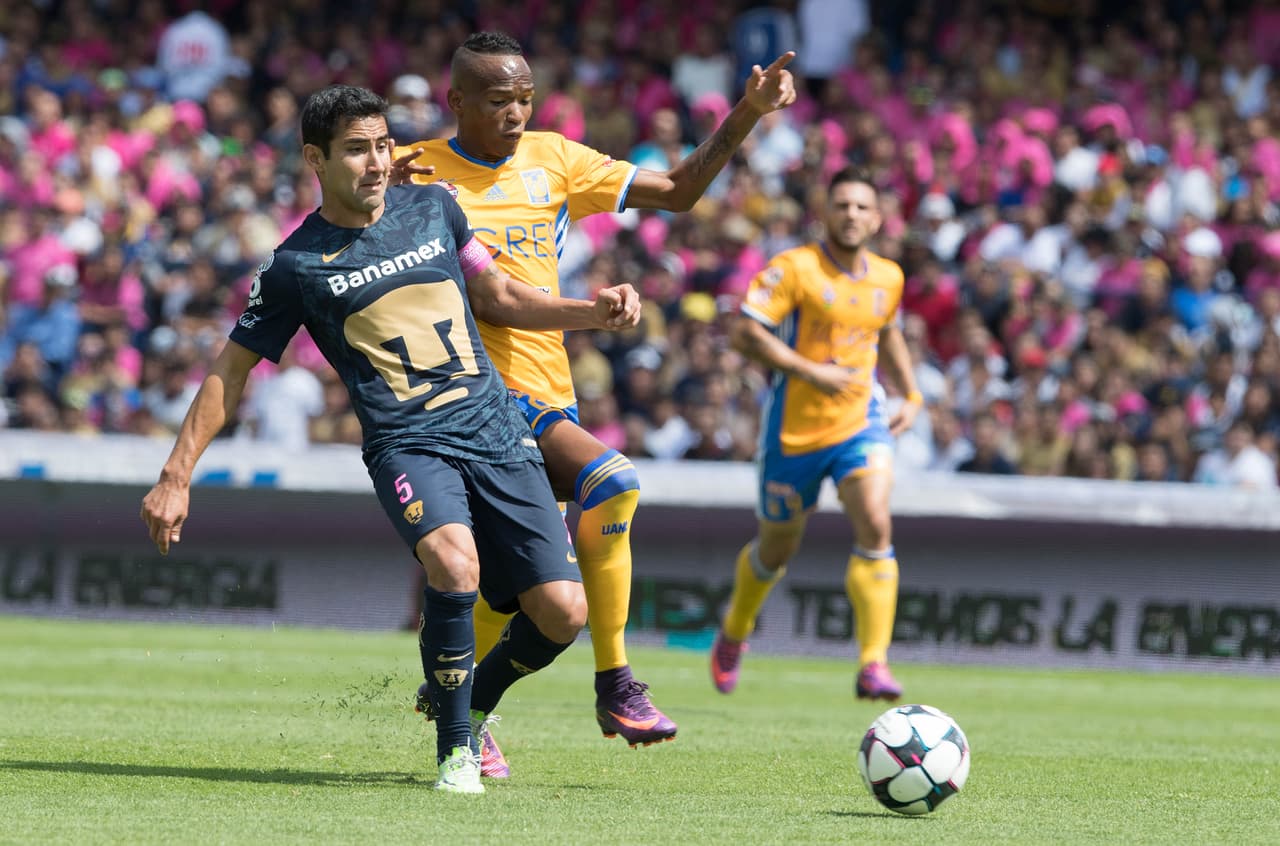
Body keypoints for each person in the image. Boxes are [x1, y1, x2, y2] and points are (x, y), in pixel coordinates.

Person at [139, 85, 642, 794]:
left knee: (563, 613)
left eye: (382, 145)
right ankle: (456, 751)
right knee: (454, 563)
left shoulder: (434, 208)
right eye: (356, 149)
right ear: (316, 158)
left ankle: (463, 699)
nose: (376, 163)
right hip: (409, 442)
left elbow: (496, 296)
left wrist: (586, 311)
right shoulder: (295, 266)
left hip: (496, 428)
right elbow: (231, 369)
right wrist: (175, 474)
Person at [392, 31, 797, 760]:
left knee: (507, 596)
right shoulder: (421, 174)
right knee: (612, 483)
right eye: (496, 101)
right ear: (456, 102)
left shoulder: (555, 160)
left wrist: (748, 113)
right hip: (472, 397)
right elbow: (483, 294)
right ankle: (616, 682)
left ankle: (458, 705)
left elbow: (679, 190)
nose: (515, 114)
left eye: (524, 99)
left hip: (549, 393)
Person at [709, 166, 922, 702]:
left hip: (859, 422)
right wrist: (812, 371)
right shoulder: (795, 269)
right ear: (824, 213)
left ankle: (873, 664)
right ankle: (735, 631)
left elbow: (888, 330)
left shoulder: (889, 277)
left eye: (860, 206)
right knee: (777, 549)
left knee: (875, 520)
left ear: (877, 219)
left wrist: (912, 393)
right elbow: (744, 332)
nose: (850, 214)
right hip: (794, 432)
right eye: (841, 204)